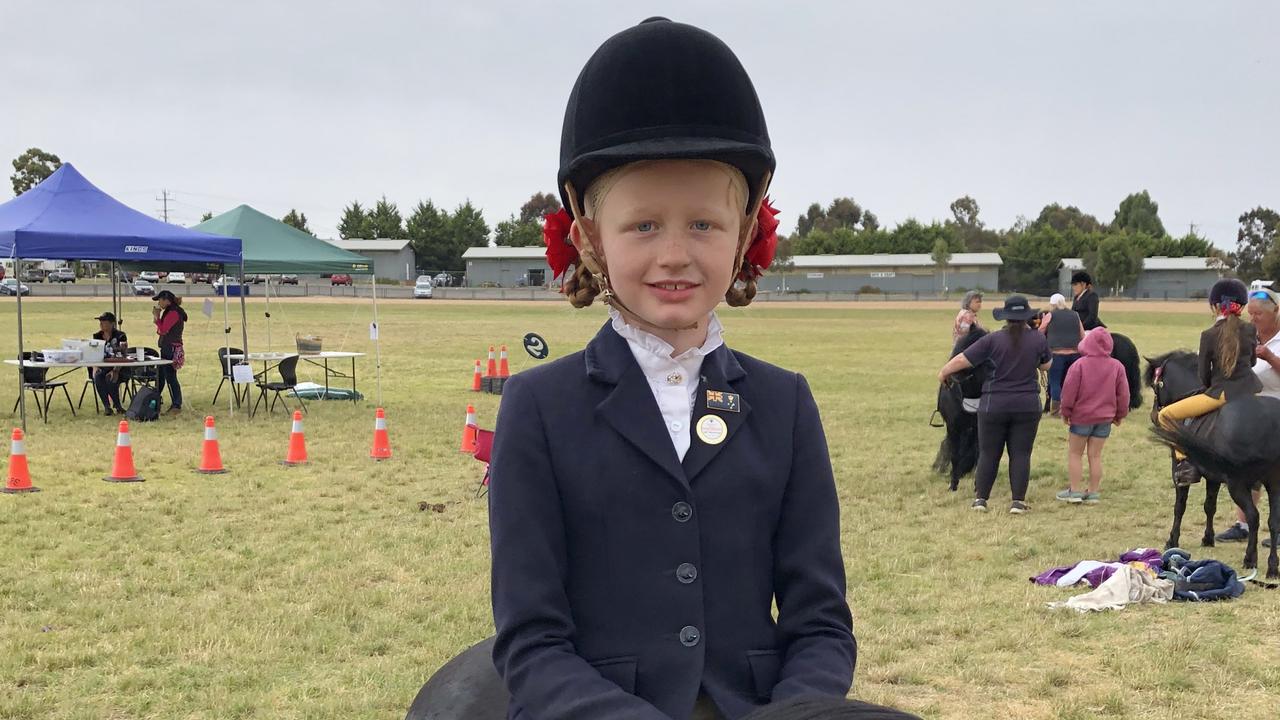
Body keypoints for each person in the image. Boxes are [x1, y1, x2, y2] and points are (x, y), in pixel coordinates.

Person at [488, 19, 854, 720]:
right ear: (591, 238)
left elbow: (820, 624)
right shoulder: (538, 407)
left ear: (745, 232)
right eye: (644, 225)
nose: (676, 254)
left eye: (704, 225)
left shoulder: (785, 404)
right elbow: (531, 642)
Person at [938, 295, 1052, 513]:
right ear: (1026, 316)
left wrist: (944, 372)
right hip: (1027, 404)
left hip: (993, 404)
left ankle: (981, 499)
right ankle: (1017, 501)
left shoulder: (992, 340)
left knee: (989, 452)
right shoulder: (1037, 339)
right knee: (1021, 453)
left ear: (1006, 318)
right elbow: (1047, 365)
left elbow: (963, 359)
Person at [1158, 279, 1260, 486]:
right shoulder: (1250, 329)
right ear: (1241, 306)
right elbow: (1252, 362)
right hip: (1251, 391)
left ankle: (1185, 463)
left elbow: (1203, 375)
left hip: (1221, 394)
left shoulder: (1209, 335)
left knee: (1165, 415)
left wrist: (1209, 387)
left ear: (1215, 306)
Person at [1217, 287, 1280, 543]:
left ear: (1275, 312)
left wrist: (1271, 357)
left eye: (1259, 315)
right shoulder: (1248, 334)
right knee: (1248, 468)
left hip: (1277, 409)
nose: (1253, 318)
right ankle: (1242, 525)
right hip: (1253, 412)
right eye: (1250, 313)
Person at [1056, 327, 1129, 504]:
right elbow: (1123, 394)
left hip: (1081, 417)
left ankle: (1074, 491)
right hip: (1105, 419)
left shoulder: (1079, 365)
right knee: (1095, 455)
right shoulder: (1117, 366)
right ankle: (1094, 492)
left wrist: (1065, 412)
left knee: (1075, 453)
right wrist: (1120, 414)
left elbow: (1069, 392)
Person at [1040, 293, 1085, 416]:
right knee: (1072, 383)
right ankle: (1072, 409)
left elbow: (1040, 332)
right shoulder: (1075, 315)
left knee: (1055, 382)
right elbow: (1082, 336)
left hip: (1056, 354)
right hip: (1075, 355)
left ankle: (1055, 411)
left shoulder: (1050, 315)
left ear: (1053, 305)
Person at [151, 290, 187, 415]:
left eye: (160, 300)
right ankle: (154, 399)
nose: (159, 303)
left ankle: (176, 404)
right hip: (167, 347)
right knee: (161, 376)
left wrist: (156, 318)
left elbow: (163, 330)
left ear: (166, 300)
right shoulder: (170, 311)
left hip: (170, 348)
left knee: (170, 377)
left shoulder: (173, 313)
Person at [91, 311, 128, 416]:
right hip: (103, 366)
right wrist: (95, 367)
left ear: (112, 324)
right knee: (98, 376)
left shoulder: (120, 336)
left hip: (120, 367)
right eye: (100, 322)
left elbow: (123, 355)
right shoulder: (97, 336)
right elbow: (93, 354)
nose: (101, 324)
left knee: (110, 378)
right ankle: (107, 406)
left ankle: (118, 406)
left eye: (104, 322)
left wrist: (115, 370)